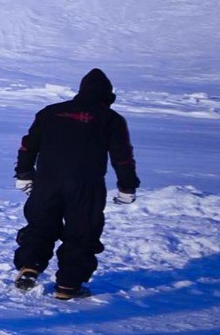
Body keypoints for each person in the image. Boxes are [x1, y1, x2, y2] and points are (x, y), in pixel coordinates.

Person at [13, 68, 140, 300]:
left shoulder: (50, 112)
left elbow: (28, 146)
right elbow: (122, 157)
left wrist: (23, 173)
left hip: (46, 183)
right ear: (108, 96)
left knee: (40, 226)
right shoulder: (111, 119)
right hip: (86, 186)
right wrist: (127, 187)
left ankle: (29, 265)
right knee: (81, 233)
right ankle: (68, 286)